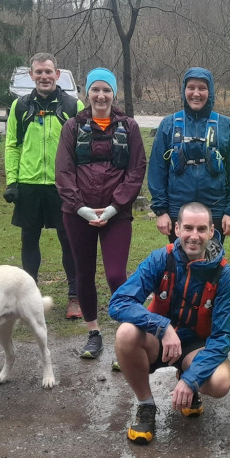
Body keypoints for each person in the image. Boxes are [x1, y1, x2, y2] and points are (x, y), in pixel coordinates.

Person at [110, 202, 230, 444]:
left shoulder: (224, 274)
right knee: (126, 334)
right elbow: (119, 302)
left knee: (220, 381)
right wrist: (162, 326)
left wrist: (192, 379)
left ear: (212, 231)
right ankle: (146, 405)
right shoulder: (161, 259)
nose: (194, 236)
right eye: (188, 228)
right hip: (158, 340)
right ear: (177, 229)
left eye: (202, 229)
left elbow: (224, 336)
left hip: (195, 346)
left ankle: (186, 377)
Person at [56, 67, 146, 360]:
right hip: (77, 212)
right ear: (87, 93)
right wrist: (81, 208)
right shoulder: (72, 127)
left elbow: (136, 170)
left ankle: (125, 335)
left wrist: (113, 207)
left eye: (106, 90)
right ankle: (93, 333)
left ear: (114, 94)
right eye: (95, 89)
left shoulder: (129, 127)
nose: (101, 95)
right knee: (84, 273)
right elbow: (64, 171)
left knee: (116, 274)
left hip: (116, 214)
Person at [4, 53, 83, 320]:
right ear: (31, 75)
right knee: (29, 240)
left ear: (57, 74)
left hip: (63, 185)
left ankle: (75, 296)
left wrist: (80, 183)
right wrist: (12, 181)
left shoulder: (74, 105)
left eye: (48, 71)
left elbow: (84, 148)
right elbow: (12, 145)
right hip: (28, 184)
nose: (44, 76)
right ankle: (30, 296)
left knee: (69, 241)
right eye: (39, 72)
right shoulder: (19, 106)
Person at [148, 67, 230, 241]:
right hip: (178, 209)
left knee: (212, 261)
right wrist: (161, 211)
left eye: (202, 88)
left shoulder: (226, 126)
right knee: (180, 260)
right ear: (184, 90)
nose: (196, 93)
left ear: (211, 91)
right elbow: (157, 170)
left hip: (214, 208)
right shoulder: (169, 124)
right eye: (191, 87)